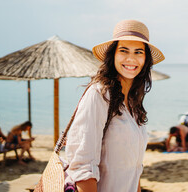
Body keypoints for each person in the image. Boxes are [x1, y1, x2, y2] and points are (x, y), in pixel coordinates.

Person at [65, 20, 165, 192]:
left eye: (138, 52)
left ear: (145, 59)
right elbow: (83, 167)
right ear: (113, 55)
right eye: (123, 50)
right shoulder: (99, 95)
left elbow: (134, 170)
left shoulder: (133, 103)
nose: (131, 58)